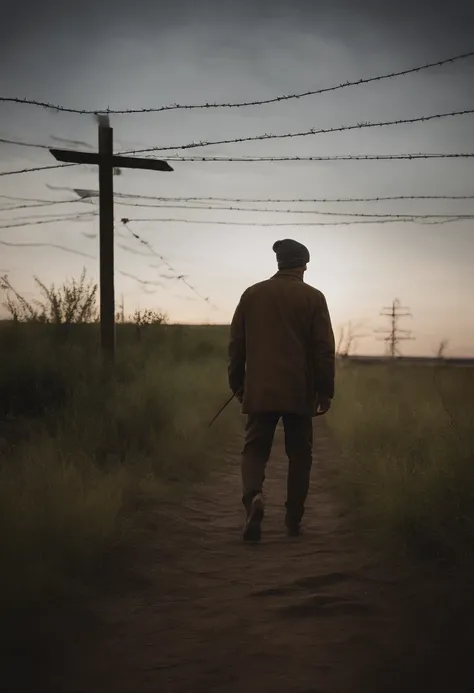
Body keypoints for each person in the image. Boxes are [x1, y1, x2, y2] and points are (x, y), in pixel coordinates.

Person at [228, 239, 335, 542]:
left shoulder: (252, 294)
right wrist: (325, 390)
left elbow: (236, 345)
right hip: (299, 391)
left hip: (260, 388)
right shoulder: (313, 297)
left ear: (279, 264)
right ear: (303, 264)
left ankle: (254, 498)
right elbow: (324, 349)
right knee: (299, 454)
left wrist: (238, 384)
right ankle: (293, 519)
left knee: (254, 449)